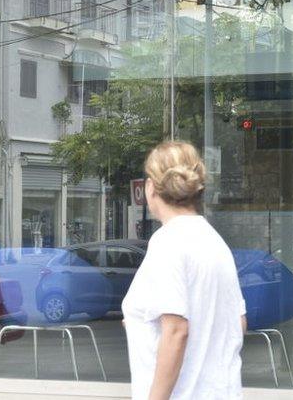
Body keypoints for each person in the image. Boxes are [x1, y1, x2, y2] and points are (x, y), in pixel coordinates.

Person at [122, 141, 246, 400]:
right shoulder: (214, 241)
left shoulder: (168, 242)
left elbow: (177, 330)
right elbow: (238, 322)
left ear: (150, 188)